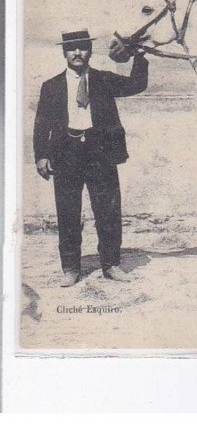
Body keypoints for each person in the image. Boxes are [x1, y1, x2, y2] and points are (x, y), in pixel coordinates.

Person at [33, 29, 149, 286]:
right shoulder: (51, 87)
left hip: (100, 153)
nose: (77, 53)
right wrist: (41, 155)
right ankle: (71, 269)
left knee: (108, 211)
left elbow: (136, 84)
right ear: (64, 53)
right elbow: (41, 124)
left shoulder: (103, 80)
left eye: (82, 48)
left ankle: (111, 264)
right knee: (68, 212)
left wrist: (140, 57)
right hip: (66, 154)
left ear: (90, 52)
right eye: (71, 48)